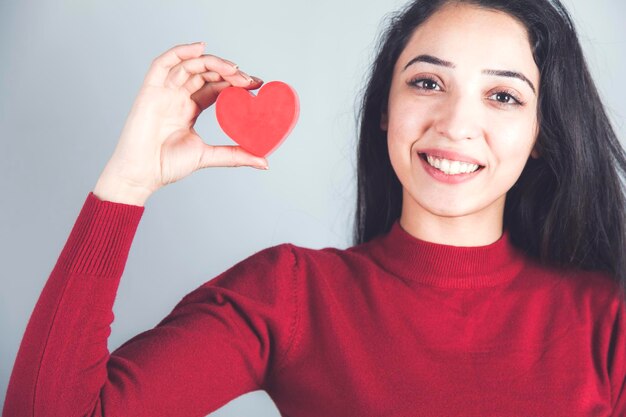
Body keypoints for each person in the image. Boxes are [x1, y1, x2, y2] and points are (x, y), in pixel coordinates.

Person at [4, 0, 626, 415]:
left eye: (503, 96)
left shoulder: (608, 324)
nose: (457, 125)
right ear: (384, 109)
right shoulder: (290, 295)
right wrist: (126, 181)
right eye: (427, 82)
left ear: (543, 131)